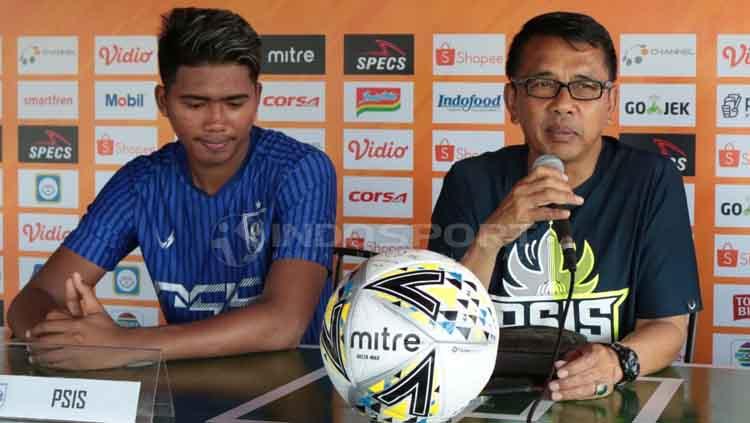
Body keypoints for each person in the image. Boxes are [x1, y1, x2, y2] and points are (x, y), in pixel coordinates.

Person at [8, 7, 337, 369]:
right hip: (183, 392)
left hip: (290, 397)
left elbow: (283, 324)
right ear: (163, 101)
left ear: (257, 97)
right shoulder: (141, 183)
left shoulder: (301, 170)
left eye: (235, 103)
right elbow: (32, 299)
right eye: (194, 104)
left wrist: (121, 345)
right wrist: (62, 337)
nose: (216, 122)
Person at [429, 11, 701, 401]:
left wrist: (616, 361)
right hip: (487, 395)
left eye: (585, 86)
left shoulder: (650, 181)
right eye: (543, 84)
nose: (563, 104)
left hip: (605, 401)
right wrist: (490, 238)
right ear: (513, 101)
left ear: (610, 102)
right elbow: (439, 326)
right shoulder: (470, 181)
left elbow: (669, 325)